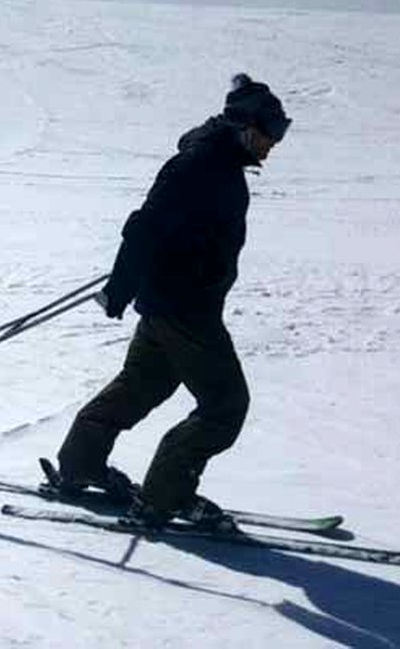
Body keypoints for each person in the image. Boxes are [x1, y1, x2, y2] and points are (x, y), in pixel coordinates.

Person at [53, 73, 291, 529]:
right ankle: (168, 496)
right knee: (224, 406)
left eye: (281, 133)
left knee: (142, 385)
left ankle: (80, 465)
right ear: (245, 127)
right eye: (271, 133)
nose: (274, 144)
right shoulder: (199, 165)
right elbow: (145, 226)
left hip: (173, 302)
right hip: (187, 307)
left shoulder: (216, 163)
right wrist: (121, 286)